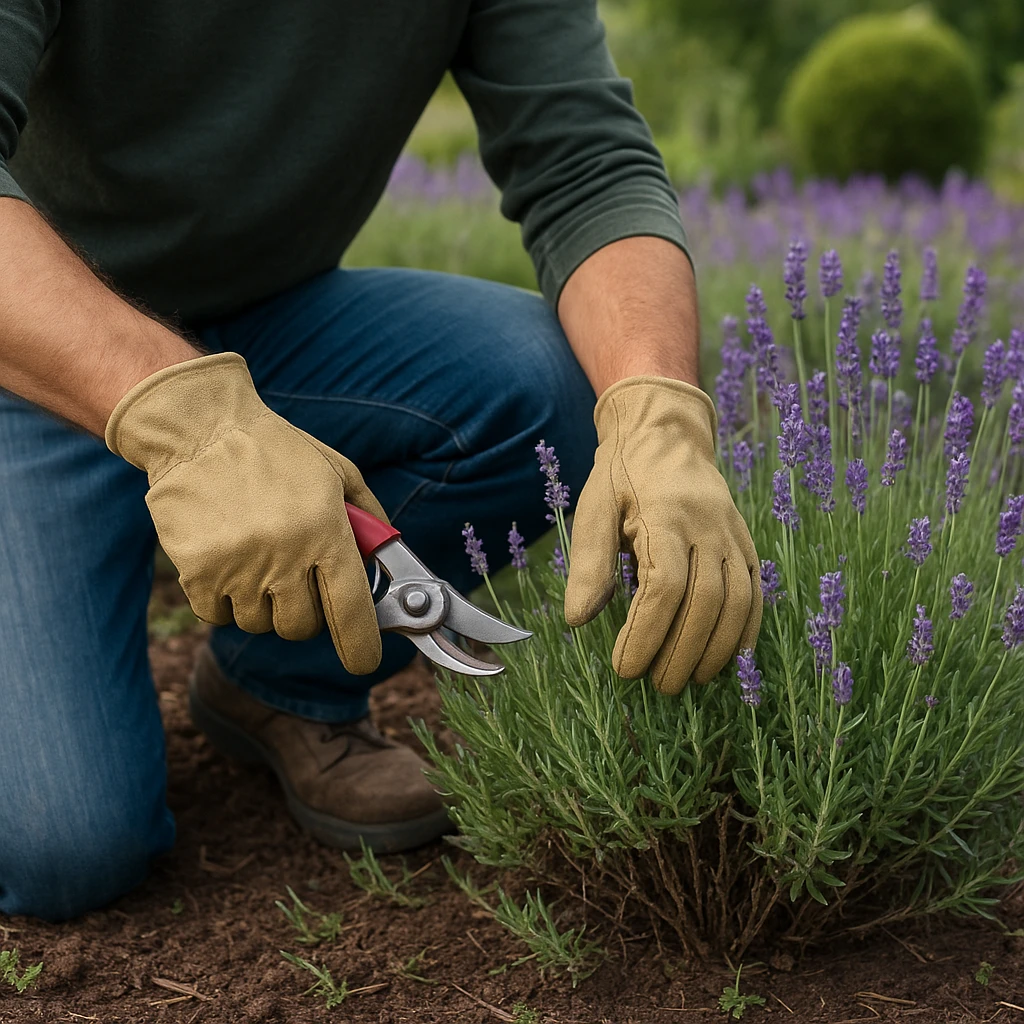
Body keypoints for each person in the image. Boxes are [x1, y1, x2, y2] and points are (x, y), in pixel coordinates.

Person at [0, 1, 762, 922]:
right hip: (31, 356)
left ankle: (276, 681)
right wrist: (187, 419)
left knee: (552, 383)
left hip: (272, 323)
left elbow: (587, 164)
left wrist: (658, 410)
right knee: (67, 847)